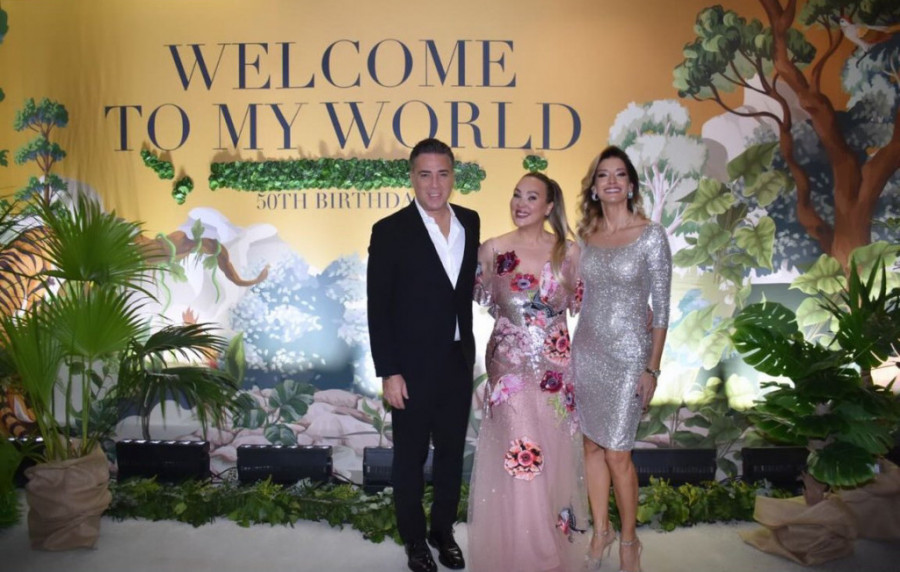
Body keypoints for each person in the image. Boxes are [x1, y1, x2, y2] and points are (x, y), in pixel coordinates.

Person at [367, 138, 480, 572]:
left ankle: (442, 532)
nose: (435, 184)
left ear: (454, 176)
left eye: (443, 173)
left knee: (451, 455)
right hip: (410, 369)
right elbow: (379, 308)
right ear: (412, 177)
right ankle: (415, 540)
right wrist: (389, 371)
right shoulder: (389, 230)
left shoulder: (470, 221)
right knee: (410, 459)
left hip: (456, 362)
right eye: (425, 174)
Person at [467, 171, 589, 572]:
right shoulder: (492, 249)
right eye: (517, 195)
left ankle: (547, 547)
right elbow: (464, 297)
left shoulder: (569, 253)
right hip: (509, 373)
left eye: (531, 197)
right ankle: (530, 556)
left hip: (557, 373)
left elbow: (587, 308)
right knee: (521, 456)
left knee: (551, 455)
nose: (520, 203)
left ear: (549, 206)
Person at [570, 146, 672, 572]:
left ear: (630, 184)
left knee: (617, 453)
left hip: (630, 357)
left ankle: (630, 541)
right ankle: (601, 532)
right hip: (586, 351)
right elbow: (570, 291)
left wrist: (652, 368)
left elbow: (661, 310)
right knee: (591, 446)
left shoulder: (651, 235)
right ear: (594, 188)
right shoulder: (585, 238)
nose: (611, 181)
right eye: (603, 175)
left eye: (619, 174)